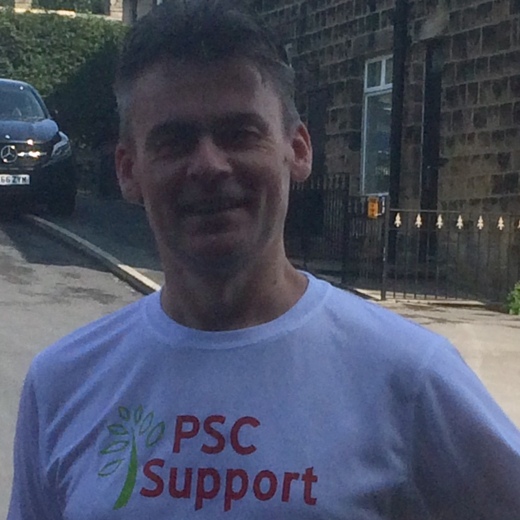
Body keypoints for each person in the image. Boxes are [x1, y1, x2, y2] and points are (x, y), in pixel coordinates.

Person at [7, 1, 520, 518]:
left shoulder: (407, 378)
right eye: (174, 142)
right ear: (127, 169)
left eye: (240, 134)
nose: (209, 164)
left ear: (298, 150)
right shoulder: (63, 384)